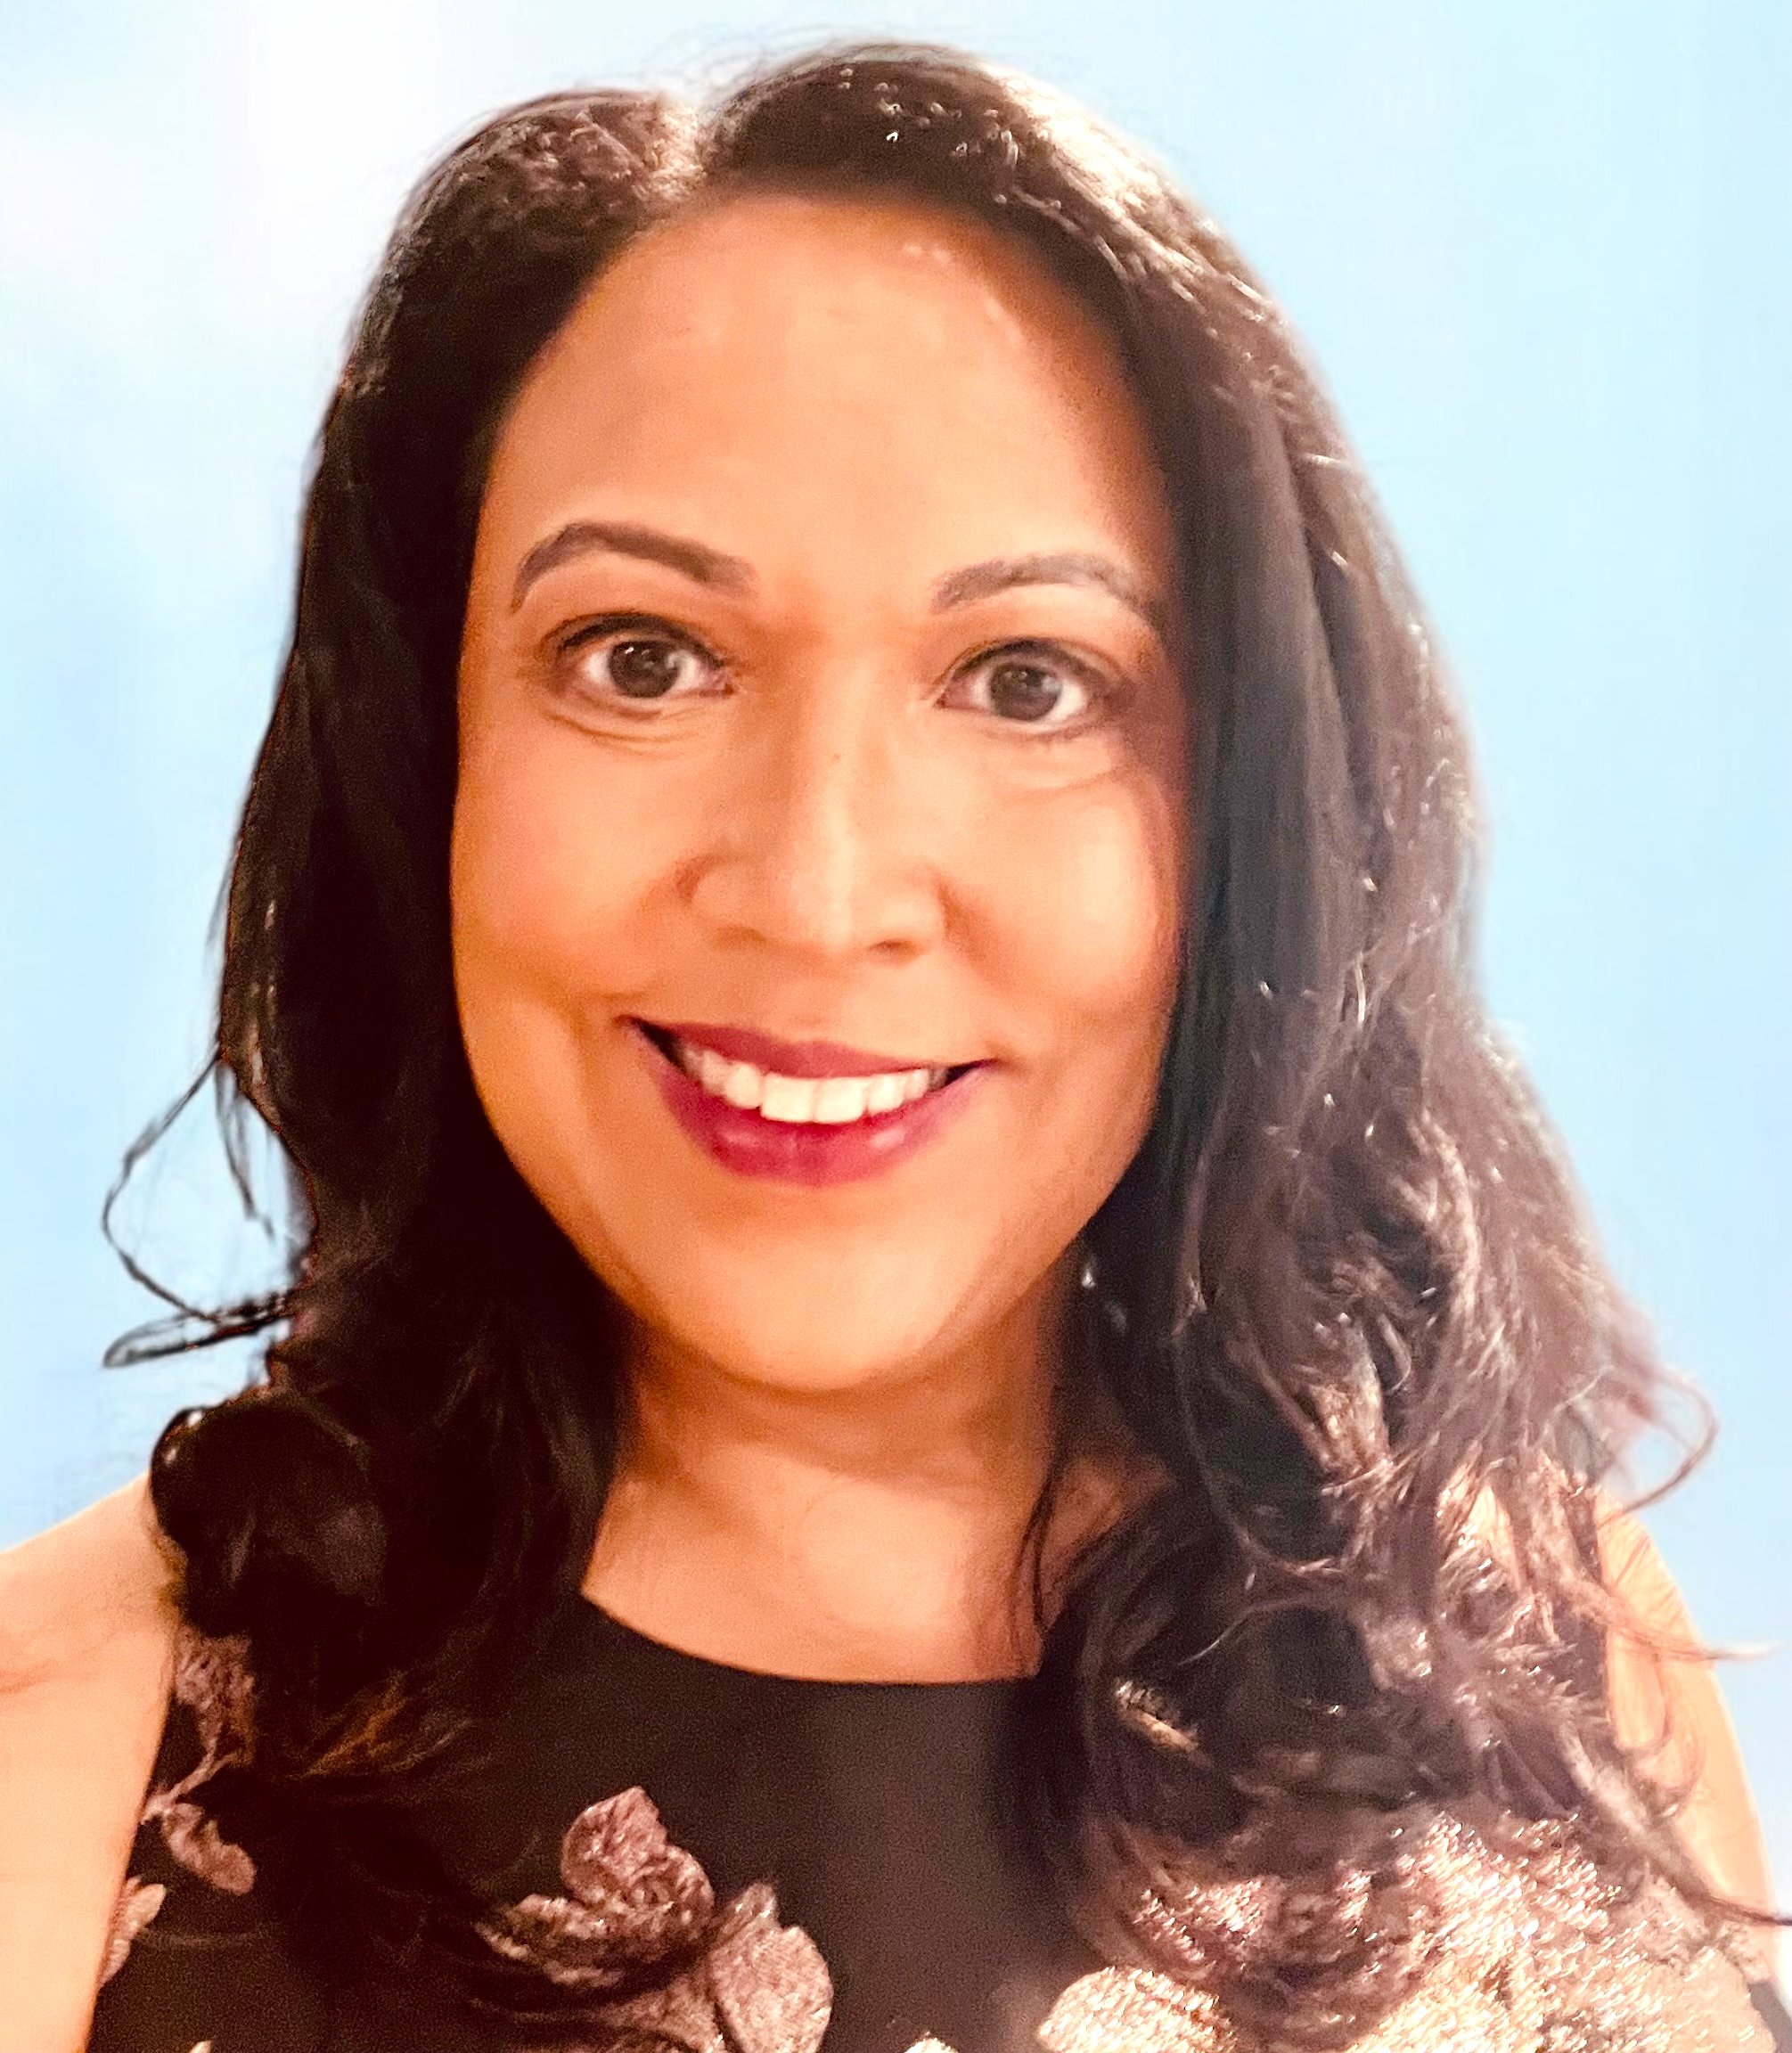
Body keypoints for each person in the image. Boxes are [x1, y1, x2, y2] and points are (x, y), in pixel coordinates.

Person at [0, 37, 1784, 2053]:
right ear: (428, 767)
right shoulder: (64, 1757)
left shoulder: (1542, 1652)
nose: (818, 888)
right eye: (643, 661)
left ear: (1251, 823)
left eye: (1027, 681)